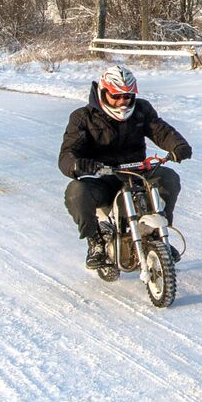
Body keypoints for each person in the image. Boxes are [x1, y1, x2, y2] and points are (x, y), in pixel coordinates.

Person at [59, 65, 193, 269]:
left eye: (128, 96)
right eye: (117, 96)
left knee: (169, 177)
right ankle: (96, 241)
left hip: (137, 173)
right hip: (102, 178)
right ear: (103, 92)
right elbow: (67, 154)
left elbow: (161, 130)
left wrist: (178, 145)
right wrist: (78, 164)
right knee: (76, 192)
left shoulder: (141, 110)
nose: (123, 101)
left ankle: (160, 234)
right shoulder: (82, 117)